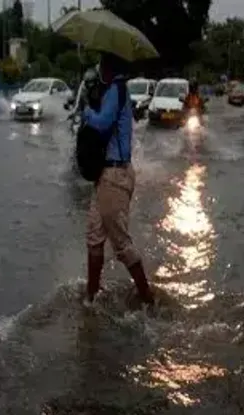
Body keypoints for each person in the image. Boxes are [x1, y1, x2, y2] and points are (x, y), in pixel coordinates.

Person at [80, 53, 154, 308]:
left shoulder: (117, 90)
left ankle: (148, 300)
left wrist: (87, 110)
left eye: (101, 63)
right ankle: (92, 296)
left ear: (108, 67)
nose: (98, 68)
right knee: (94, 235)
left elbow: (101, 124)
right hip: (106, 174)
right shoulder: (112, 90)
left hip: (114, 175)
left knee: (120, 243)